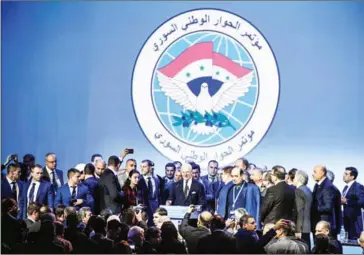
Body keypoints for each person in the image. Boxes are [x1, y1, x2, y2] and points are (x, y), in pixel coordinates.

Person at [311, 165, 339, 238]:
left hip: (324, 226)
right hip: (318, 224)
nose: (312, 174)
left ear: (322, 173)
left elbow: (328, 207)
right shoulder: (317, 185)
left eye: (315, 172)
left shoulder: (328, 186)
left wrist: (312, 208)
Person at [341, 167, 364, 240]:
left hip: (354, 223)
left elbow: (362, 201)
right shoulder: (345, 188)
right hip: (346, 221)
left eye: (346, 174)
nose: (343, 175)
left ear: (352, 176)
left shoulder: (358, 187)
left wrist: (347, 201)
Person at [293, 170, 312, 249]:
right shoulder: (308, 190)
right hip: (307, 226)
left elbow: (300, 211)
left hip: (302, 227)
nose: (293, 179)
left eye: (294, 177)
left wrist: (298, 230)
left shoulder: (298, 191)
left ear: (298, 179)